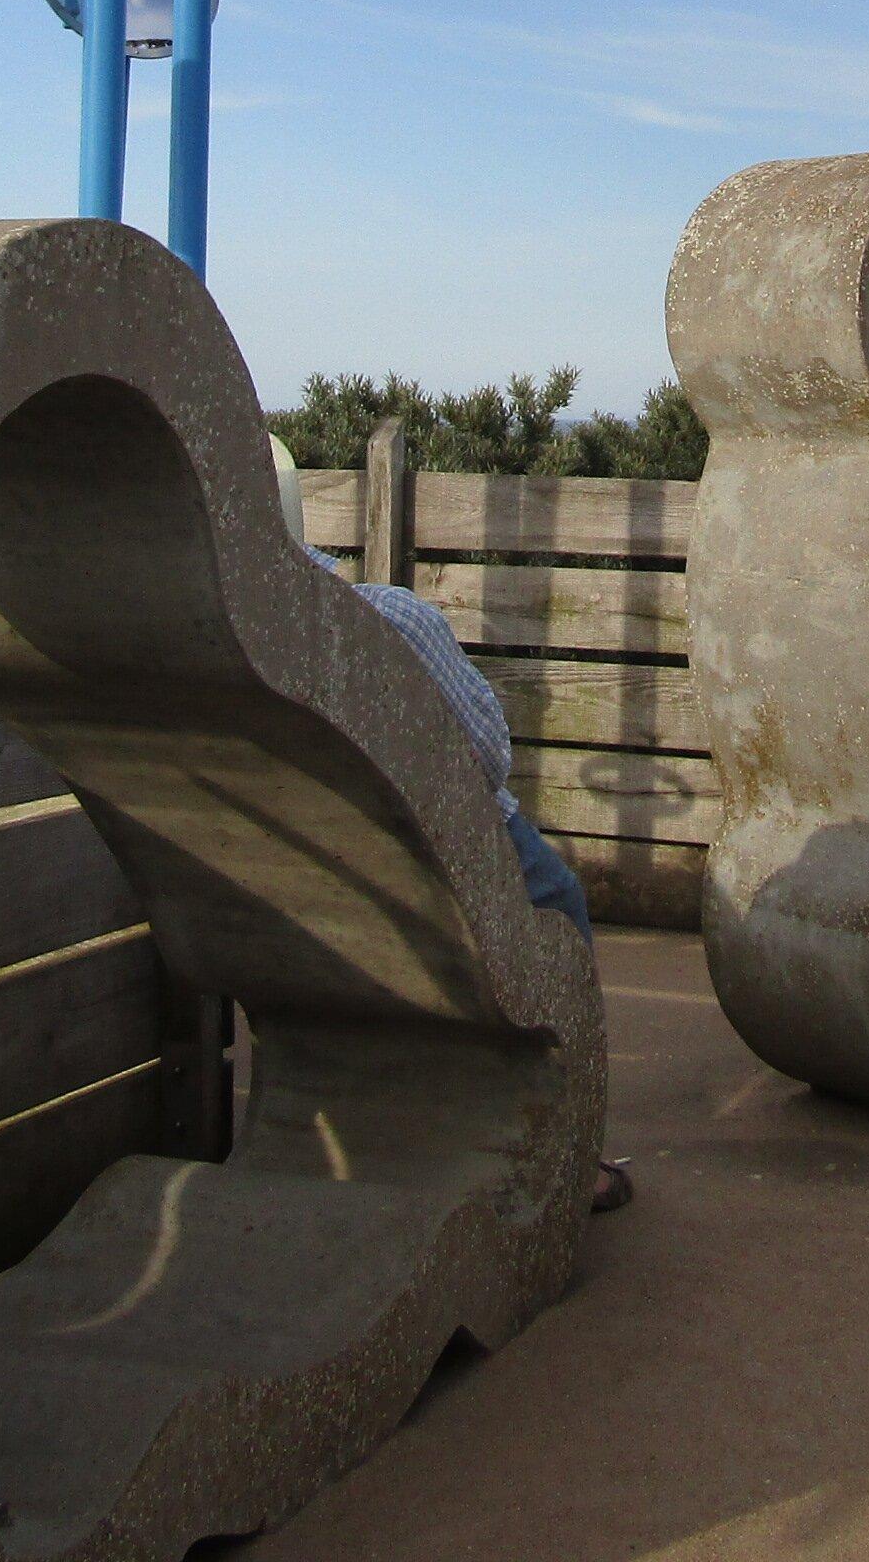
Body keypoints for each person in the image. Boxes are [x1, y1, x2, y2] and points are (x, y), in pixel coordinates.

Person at [275, 439, 631, 1213]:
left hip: (304, 873)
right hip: (450, 859)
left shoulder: (216, 659)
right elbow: (487, 756)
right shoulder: (387, 618)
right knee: (558, 902)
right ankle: (571, 1150)